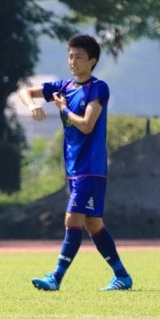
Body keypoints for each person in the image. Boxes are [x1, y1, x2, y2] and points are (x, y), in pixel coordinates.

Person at [18, 34, 132, 291]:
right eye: (70, 56)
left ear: (92, 61)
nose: (73, 62)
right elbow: (25, 91)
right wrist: (32, 105)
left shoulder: (98, 88)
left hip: (90, 168)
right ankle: (122, 276)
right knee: (93, 223)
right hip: (74, 168)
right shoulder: (64, 86)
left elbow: (87, 125)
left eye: (79, 57)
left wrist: (63, 108)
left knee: (73, 218)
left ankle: (56, 277)